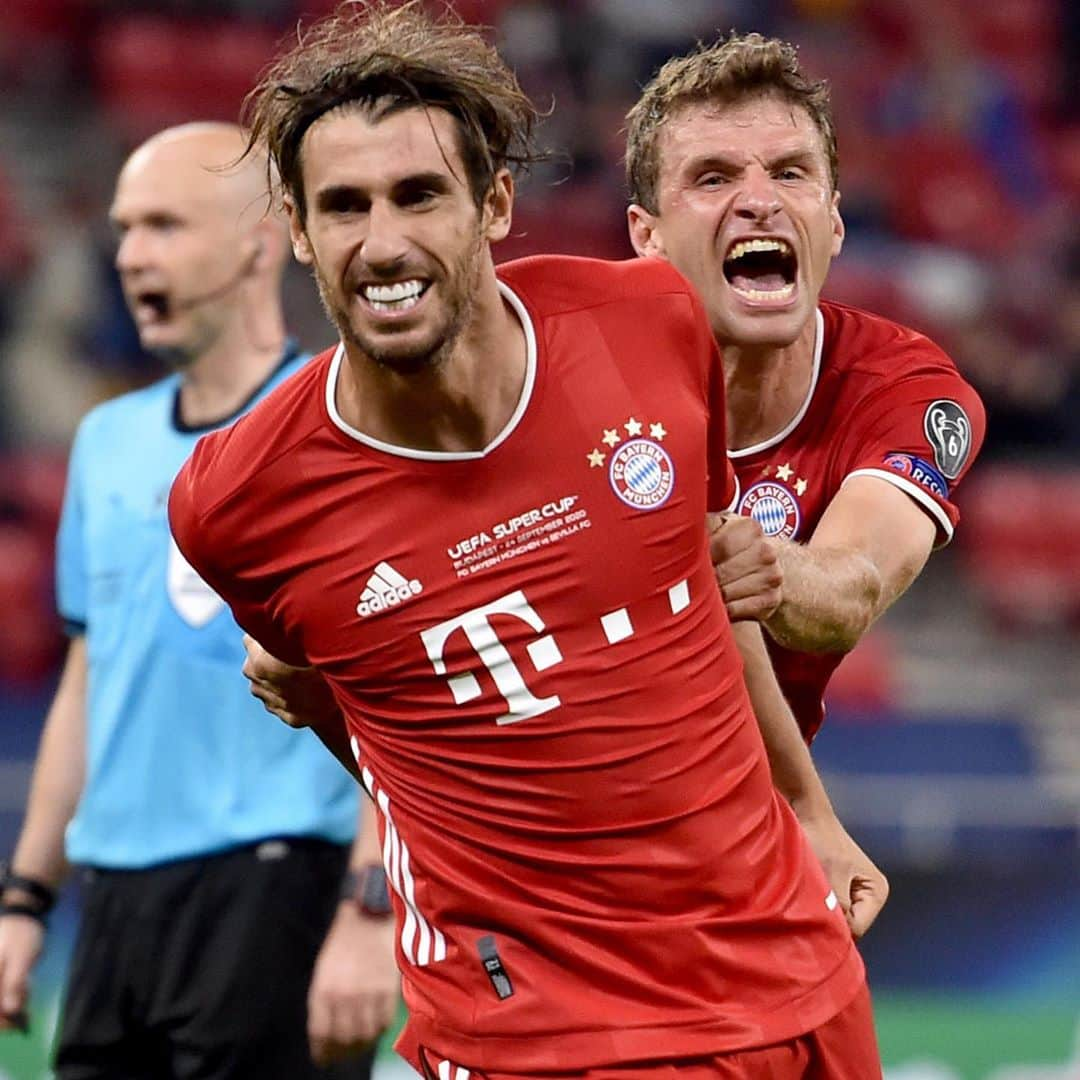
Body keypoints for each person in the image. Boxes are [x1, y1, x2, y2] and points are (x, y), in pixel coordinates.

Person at [169, 4, 882, 1078]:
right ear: (300, 232)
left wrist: (808, 811)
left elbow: (701, 590)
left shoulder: (652, 325)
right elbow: (316, 685)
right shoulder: (239, 503)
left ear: (494, 204)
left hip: (800, 975)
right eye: (344, 207)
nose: (384, 243)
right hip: (550, 1036)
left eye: (419, 195)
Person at [0, 122, 383, 1080]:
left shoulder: (344, 425)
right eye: (125, 230)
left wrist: (369, 908)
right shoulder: (107, 443)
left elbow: (405, 686)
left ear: (260, 242)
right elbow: (91, 683)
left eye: (163, 226)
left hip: (276, 883)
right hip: (117, 903)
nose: (130, 256)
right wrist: (24, 901)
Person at [623, 33, 986, 743]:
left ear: (836, 222)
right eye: (713, 178)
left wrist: (738, 557)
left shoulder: (903, 388)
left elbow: (849, 589)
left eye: (791, 173)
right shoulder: (571, 365)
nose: (760, 201)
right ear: (648, 237)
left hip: (733, 812)